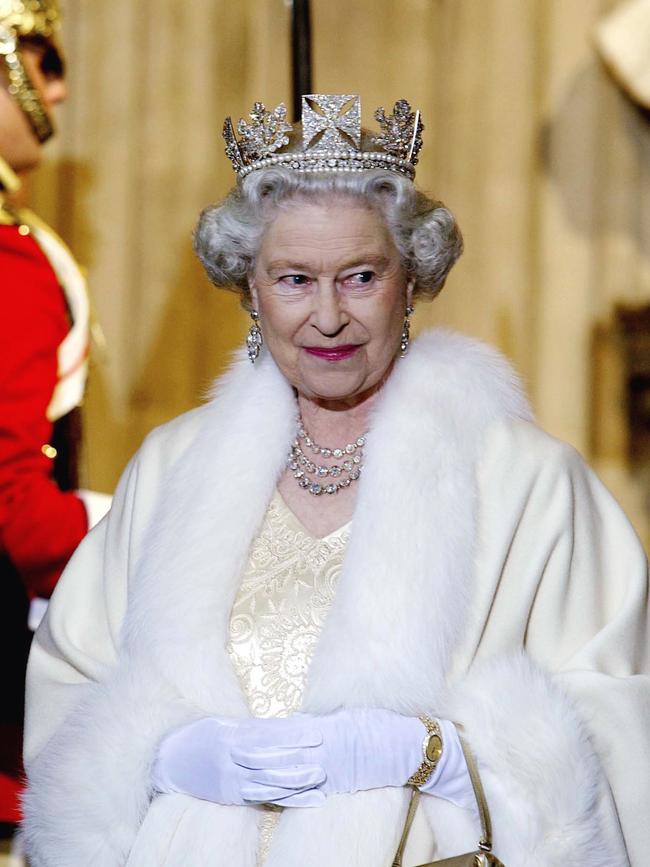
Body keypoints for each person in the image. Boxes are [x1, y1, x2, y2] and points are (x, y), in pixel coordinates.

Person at [21, 94, 648, 867]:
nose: (327, 317)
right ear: (249, 290)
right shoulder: (171, 468)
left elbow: (619, 733)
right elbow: (68, 693)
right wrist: (155, 755)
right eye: (292, 279)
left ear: (410, 279)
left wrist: (447, 758)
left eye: (359, 276)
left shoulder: (529, 484)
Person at [0, 0, 110, 843]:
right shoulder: (13, 263)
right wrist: (121, 530)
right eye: (43, 61)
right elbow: (15, 509)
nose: (59, 92)